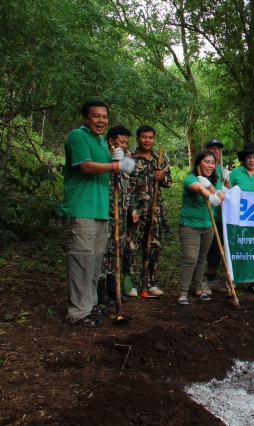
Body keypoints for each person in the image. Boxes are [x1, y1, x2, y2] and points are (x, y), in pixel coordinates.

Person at [60, 100, 135, 327]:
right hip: (81, 209)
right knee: (81, 261)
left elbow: (109, 169)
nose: (101, 120)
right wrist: (116, 166)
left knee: (94, 263)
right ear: (85, 118)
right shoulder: (77, 136)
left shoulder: (102, 142)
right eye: (96, 116)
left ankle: (90, 303)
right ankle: (78, 312)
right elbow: (86, 167)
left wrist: (117, 158)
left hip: (101, 210)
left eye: (104, 117)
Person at [123, 125, 172, 297]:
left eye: (150, 137)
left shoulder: (159, 160)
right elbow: (124, 185)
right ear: (137, 139)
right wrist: (130, 209)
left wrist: (162, 177)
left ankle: (151, 282)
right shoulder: (130, 158)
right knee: (131, 247)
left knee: (154, 247)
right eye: (144, 137)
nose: (147, 140)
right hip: (136, 211)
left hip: (154, 211)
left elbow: (169, 182)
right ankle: (129, 283)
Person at [176, 150, 225, 305]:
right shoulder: (191, 179)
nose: (210, 165)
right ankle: (182, 293)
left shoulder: (214, 181)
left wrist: (210, 185)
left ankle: (198, 289)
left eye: (212, 162)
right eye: (206, 162)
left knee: (201, 259)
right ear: (198, 163)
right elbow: (198, 189)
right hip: (190, 225)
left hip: (208, 225)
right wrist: (209, 193)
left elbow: (222, 199)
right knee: (191, 258)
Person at [97, 125, 133, 306]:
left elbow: (129, 188)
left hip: (122, 215)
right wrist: (113, 164)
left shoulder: (125, 160)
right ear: (111, 142)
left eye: (126, 142)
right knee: (104, 252)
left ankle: (113, 287)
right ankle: (100, 290)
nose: (125, 146)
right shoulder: (104, 159)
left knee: (115, 251)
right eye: (122, 142)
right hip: (106, 214)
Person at [229, 142, 254, 296]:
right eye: (249, 157)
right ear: (244, 159)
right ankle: (232, 281)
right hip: (237, 219)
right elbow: (227, 191)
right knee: (236, 248)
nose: (251, 160)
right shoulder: (235, 173)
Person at [202, 139, 231, 295]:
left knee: (216, 248)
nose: (215, 151)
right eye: (212, 148)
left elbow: (228, 192)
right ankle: (200, 281)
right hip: (206, 216)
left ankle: (211, 279)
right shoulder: (201, 170)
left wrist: (227, 179)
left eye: (217, 149)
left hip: (220, 216)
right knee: (203, 249)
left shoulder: (221, 170)